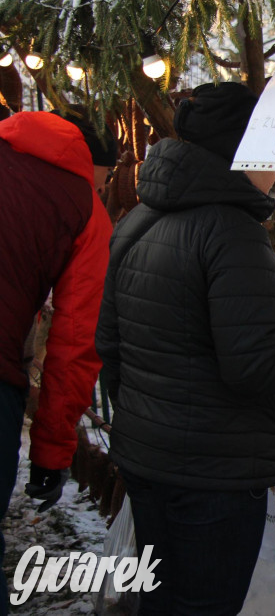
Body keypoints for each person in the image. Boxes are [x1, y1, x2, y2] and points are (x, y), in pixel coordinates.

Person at [95, 81, 275, 615]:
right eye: (273, 148)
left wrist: (143, 427)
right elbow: (254, 368)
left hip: (147, 459)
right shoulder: (231, 232)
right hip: (212, 478)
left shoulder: (139, 218)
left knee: (159, 601)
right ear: (242, 149)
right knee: (202, 604)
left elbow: (109, 345)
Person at [0, 110, 113, 614]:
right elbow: (74, 343)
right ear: (90, 166)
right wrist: (50, 452)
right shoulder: (84, 209)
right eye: (104, 182)